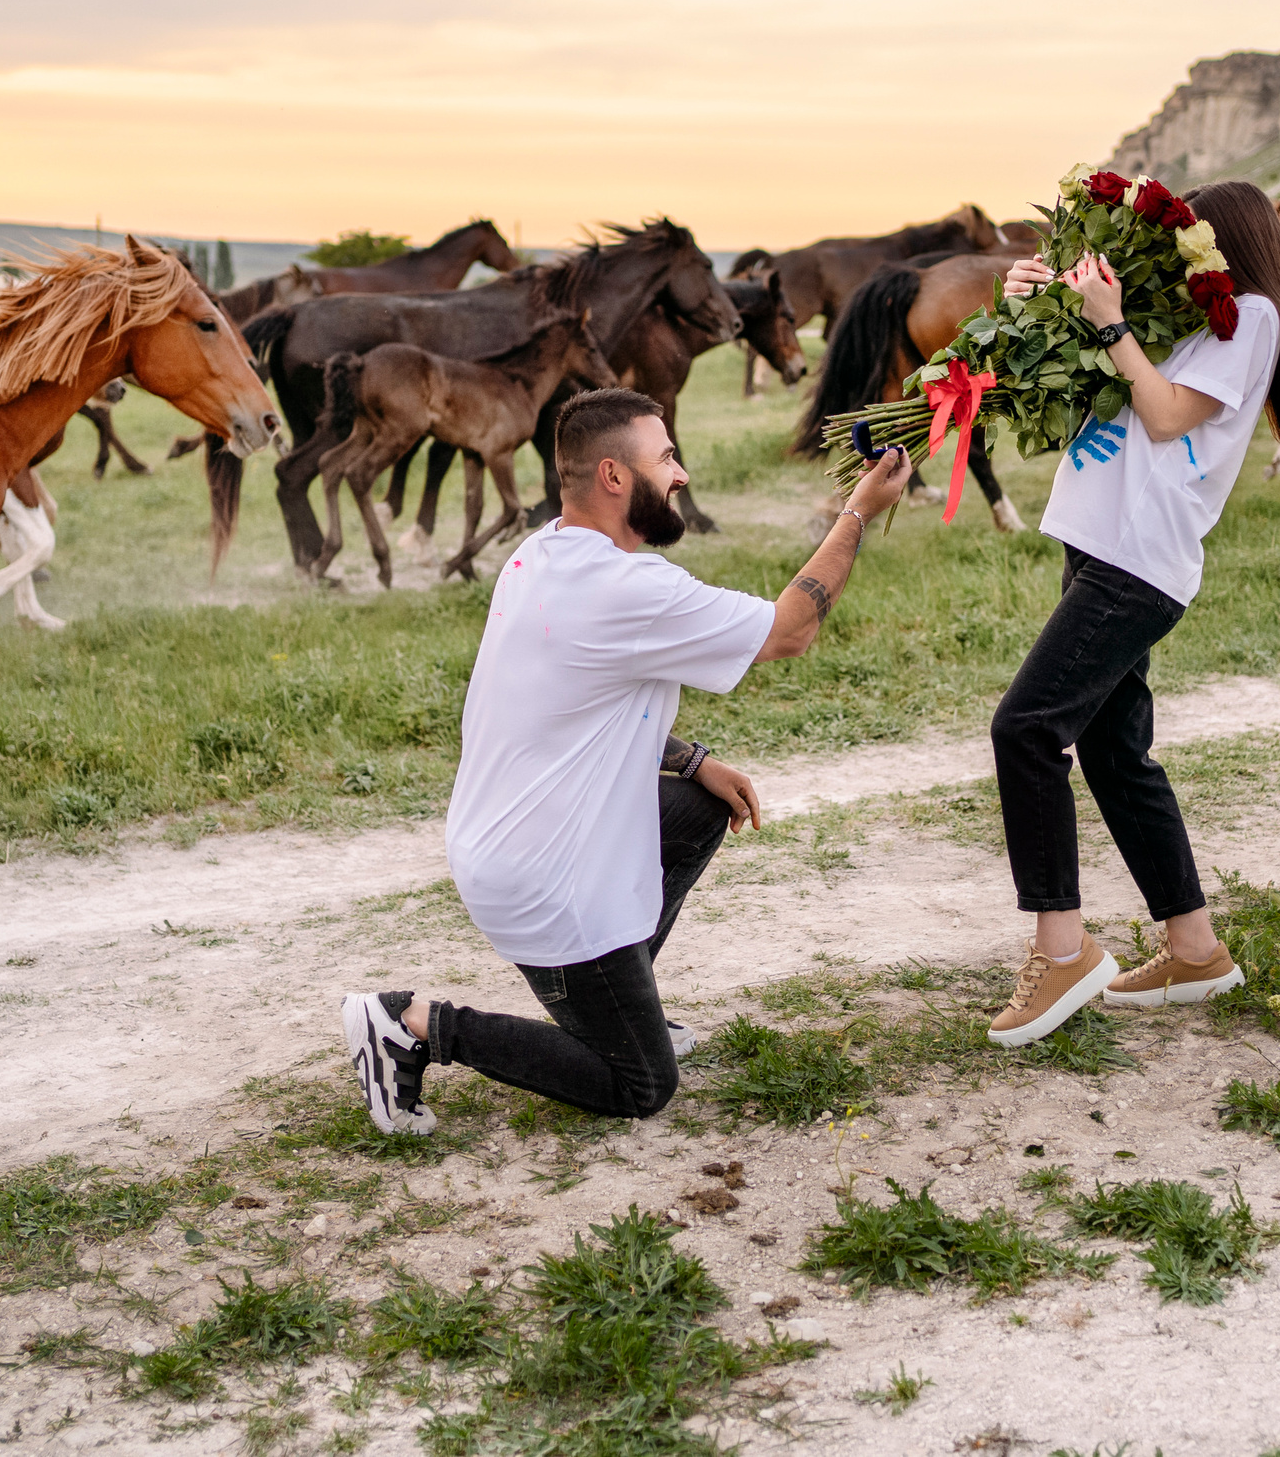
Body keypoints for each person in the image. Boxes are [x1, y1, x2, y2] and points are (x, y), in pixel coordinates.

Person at [340, 386, 911, 1134]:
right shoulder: (626, 586)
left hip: (509, 845)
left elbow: (575, 700)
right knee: (640, 1082)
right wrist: (857, 511)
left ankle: (621, 1001)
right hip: (547, 877)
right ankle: (412, 1023)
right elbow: (791, 628)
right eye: (666, 456)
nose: (680, 473)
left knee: (701, 806)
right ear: (615, 476)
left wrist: (691, 758)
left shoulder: (543, 552)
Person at [983, 179, 1280, 1048]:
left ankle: (1062, 949)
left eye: (1190, 238)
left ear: (1230, 244)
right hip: (1099, 545)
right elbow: (1088, 388)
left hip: (1138, 560)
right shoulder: (1183, 319)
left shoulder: (1250, 316)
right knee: (1113, 751)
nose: (1181, 253)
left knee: (1026, 728)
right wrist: (1037, 308)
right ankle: (1195, 948)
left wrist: (1112, 323)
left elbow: (1165, 415)